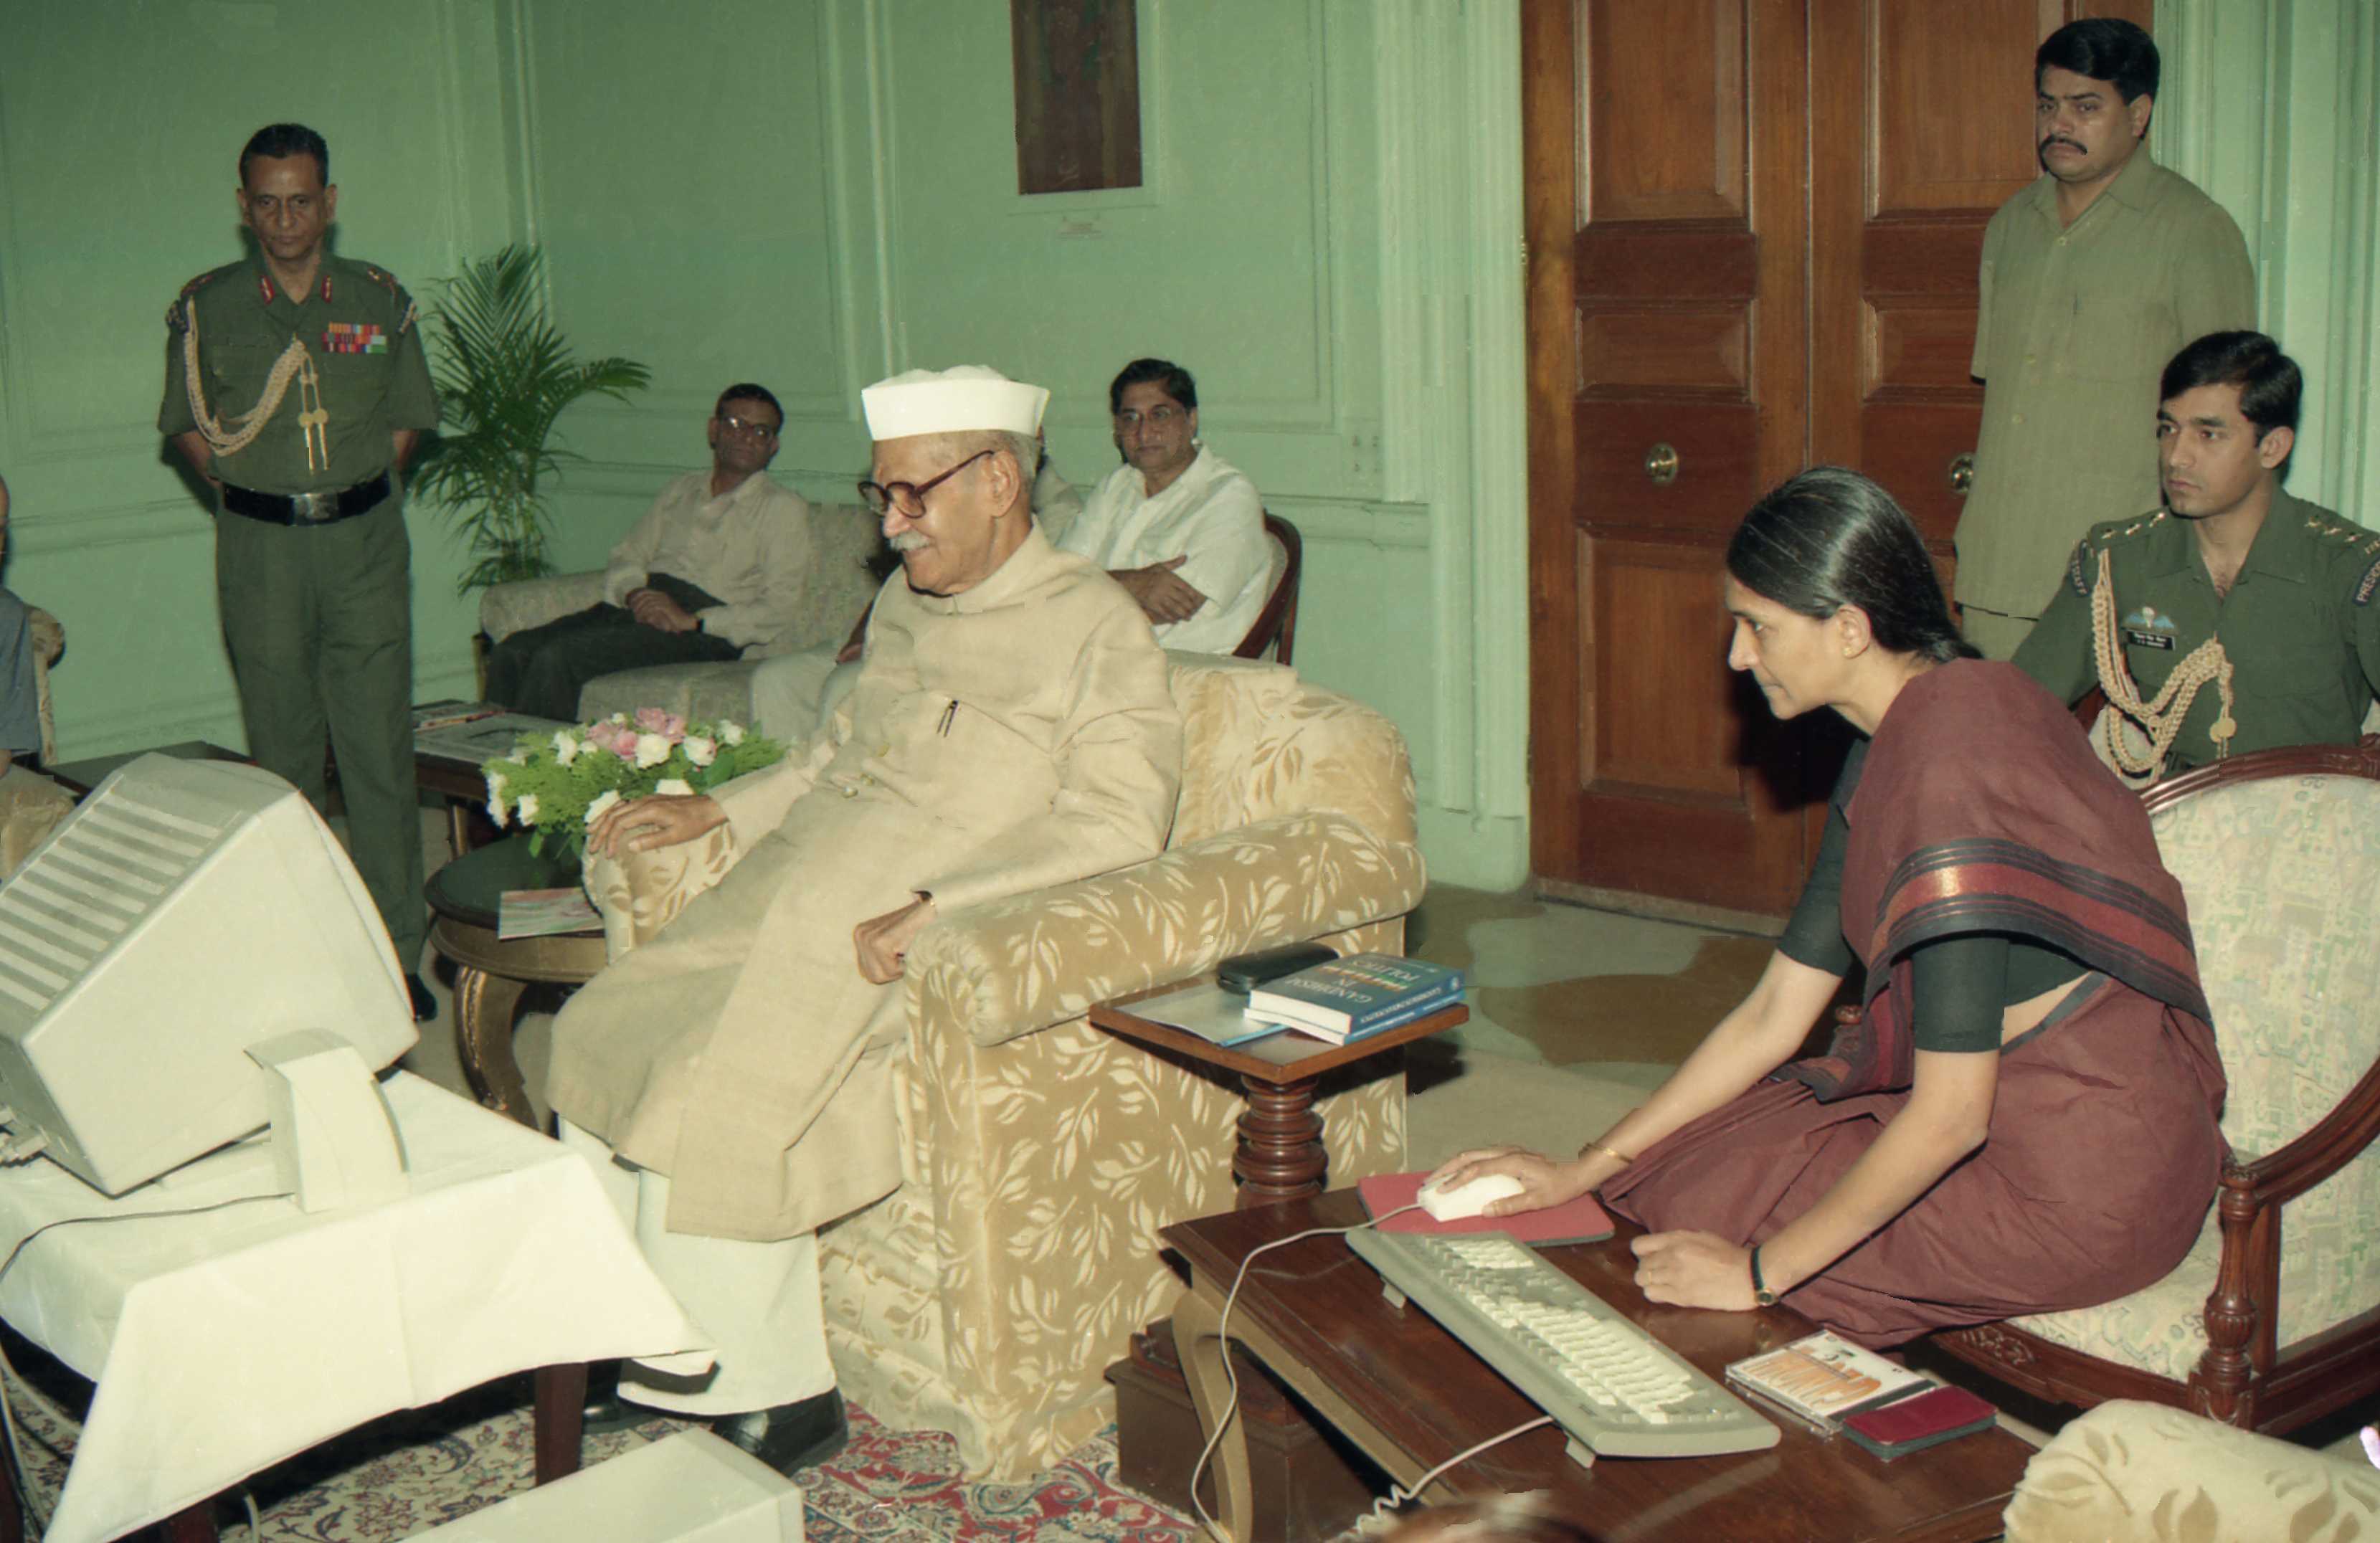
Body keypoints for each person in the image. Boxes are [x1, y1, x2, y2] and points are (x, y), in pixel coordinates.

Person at [543, 364, 1182, 1473]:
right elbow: (827, 757)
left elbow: (1121, 820)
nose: (888, 526)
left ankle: (775, 1389)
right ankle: (635, 1336)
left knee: (709, 1081)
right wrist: (717, 808)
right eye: (880, 494)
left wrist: (945, 906)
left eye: (910, 495)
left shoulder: (1094, 623)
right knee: (602, 1024)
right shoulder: (903, 601)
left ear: (997, 482)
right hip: (803, 867)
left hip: (906, 912)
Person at [1430, 467, 2225, 1349]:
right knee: (1690, 1167)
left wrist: (1757, 1274)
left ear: (1849, 627)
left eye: (1759, 626)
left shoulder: (1950, 775)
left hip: (2081, 1184)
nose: (1738, 657)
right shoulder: (1903, 726)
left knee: (1711, 1227)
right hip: (2013, 1117)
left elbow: (1951, 1116)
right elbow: (1776, 1009)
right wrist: (1581, 1167)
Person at [158, 123, 440, 1020]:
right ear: (244, 208)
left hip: (362, 547)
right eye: (268, 203)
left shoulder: (376, 299)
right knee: (282, 758)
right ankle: (305, 956)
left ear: (330, 203)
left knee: (378, 753)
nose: (286, 219)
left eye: (302, 201)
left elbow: (407, 420)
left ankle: (395, 954)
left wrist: (343, 492)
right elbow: (188, 428)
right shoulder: (207, 309)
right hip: (262, 552)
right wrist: (260, 493)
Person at [1954, 19, 2255, 661]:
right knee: (1992, 723)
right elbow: (2003, 396)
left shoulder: (2193, 230)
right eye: (2047, 105)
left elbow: (2225, 419)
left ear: (2138, 115)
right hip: (1999, 564)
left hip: (2124, 574)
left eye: (2085, 107)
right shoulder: (2011, 226)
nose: (2058, 124)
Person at [2014, 332, 2380, 780]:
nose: (2177, 457)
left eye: (2208, 434)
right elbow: (2019, 704)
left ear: (2272, 447)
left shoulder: (2349, 568)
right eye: (2169, 429)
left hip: (2316, 809)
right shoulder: (2118, 561)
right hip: (2178, 808)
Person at [482, 384, 820, 720]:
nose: (747, 437)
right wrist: (635, 594)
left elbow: (780, 605)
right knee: (513, 651)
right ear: (713, 430)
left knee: (557, 658)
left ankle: (535, 755)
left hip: (701, 630)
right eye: (736, 424)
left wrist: (695, 621)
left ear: (772, 446)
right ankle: (485, 750)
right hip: (640, 604)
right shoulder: (681, 489)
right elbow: (629, 554)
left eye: (761, 431)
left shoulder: (782, 508)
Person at [744, 429, 1081, 745]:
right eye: (886, 500)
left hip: (970, 652)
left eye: (916, 495)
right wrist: (861, 636)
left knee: (847, 687)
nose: (889, 527)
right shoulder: (906, 575)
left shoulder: (1061, 520)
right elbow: (897, 592)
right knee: (779, 680)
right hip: (906, 632)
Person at [1056, 358, 1271, 655]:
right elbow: (1056, 581)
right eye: (1130, 418)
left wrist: (1086, 590)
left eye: (1160, 415)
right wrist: (1135, 583)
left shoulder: (1229, 496)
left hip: (1186, 671)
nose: (1144, 433)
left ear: (1191, 420)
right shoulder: (1116, 487)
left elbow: (1169, 611)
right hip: (1098, 659)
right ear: (1117, 429)